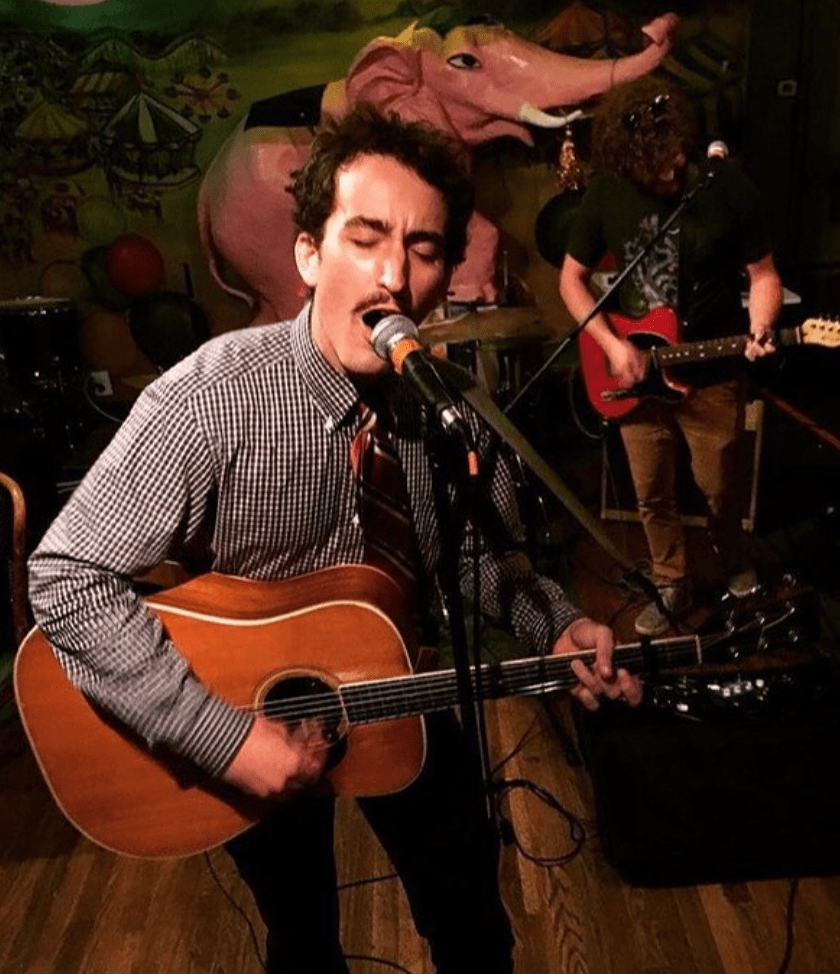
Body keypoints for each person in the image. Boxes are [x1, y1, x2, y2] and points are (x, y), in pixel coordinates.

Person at [28, 106, 640, 974]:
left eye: (424, 249)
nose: (394, 275)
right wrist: (218, 737)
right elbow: (66, 575)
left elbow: (473, 557)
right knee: (303, 940)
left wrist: (557, 623)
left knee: (473, 925)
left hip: (404, 693)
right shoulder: (210, 397)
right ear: (309, 255)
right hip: (246, 712)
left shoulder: (447, 408)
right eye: (366, 238)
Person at [559, 75, 783, 636]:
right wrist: (613, 346)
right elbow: (570, 280)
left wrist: (761, 323)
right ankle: (670, 581)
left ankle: (732, 559)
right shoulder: (606, 193)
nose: (670, 175)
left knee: (719, 486)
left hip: (712, 369)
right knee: (652, 492)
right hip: (638, 374)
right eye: (655, 170)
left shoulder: (725, 185)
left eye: (676, 160)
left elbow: (764, 274)